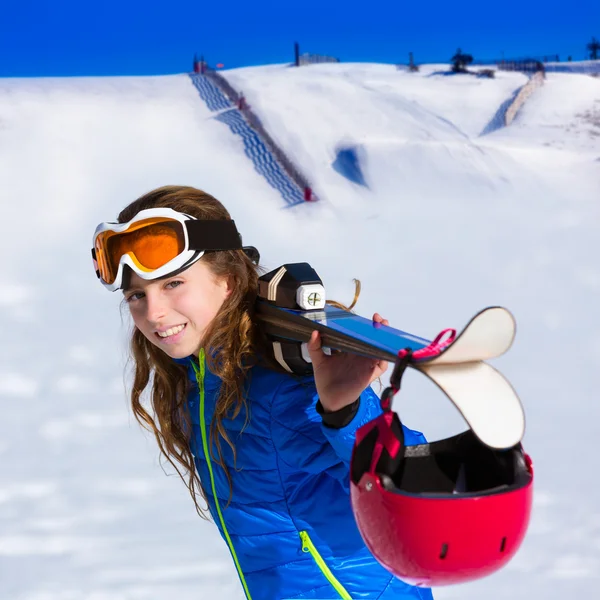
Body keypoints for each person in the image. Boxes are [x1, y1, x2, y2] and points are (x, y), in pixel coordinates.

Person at [92, 185, 434, 600]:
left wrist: (344, 410)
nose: (154, 312)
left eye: (173, 283)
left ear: (229, 282)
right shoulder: (199, 383)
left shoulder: (281, 386)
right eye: (137, 295)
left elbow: (416, 481)